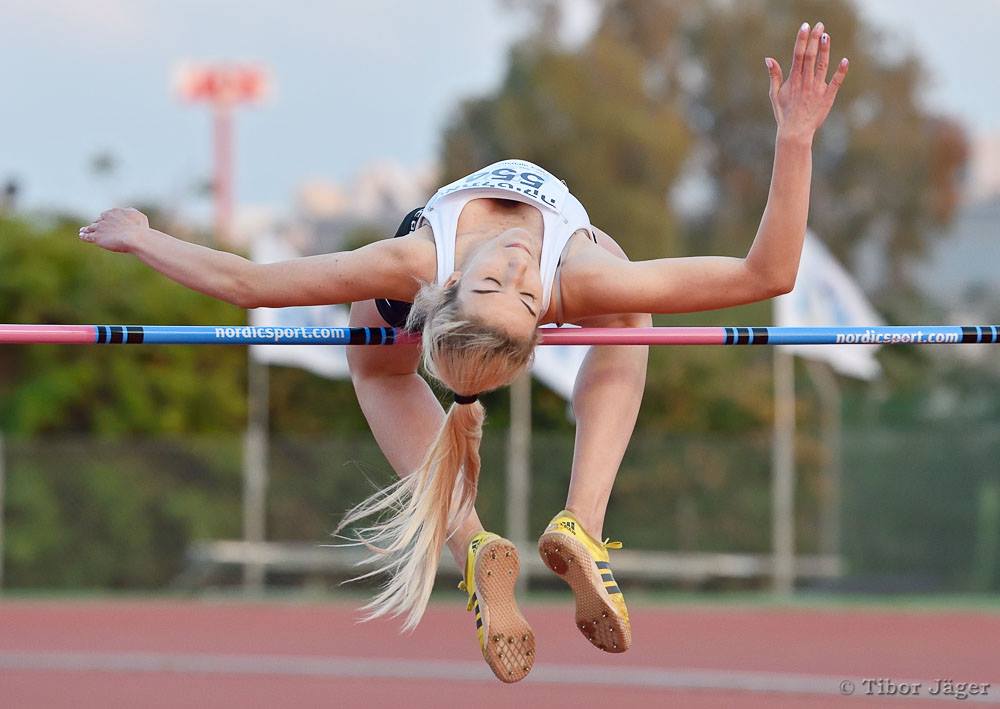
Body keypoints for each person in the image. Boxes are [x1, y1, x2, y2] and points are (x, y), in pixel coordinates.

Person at [79, 22, 847, 683]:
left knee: (378, 366)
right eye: (520, 295)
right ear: (538, 317)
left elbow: (250, 283)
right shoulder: (566, 282)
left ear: (447, 292)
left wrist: (144, 237)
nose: (516, 270)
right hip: (546, 279)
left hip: (429, 294)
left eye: (504, 289)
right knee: (624, 299)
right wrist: (795, 142)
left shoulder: (419, 264)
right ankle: (573, 522)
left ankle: (487, 541)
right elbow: (764, 272)